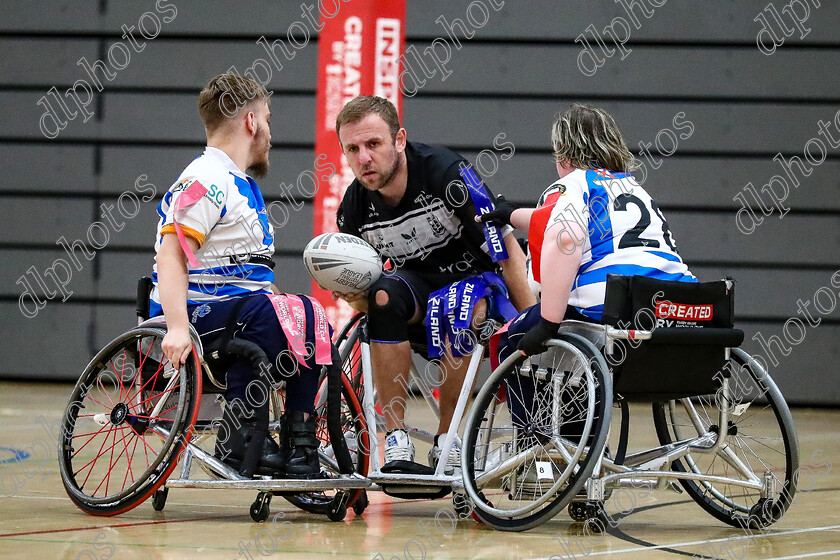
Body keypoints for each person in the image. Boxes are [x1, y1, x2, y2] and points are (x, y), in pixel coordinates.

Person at [332, 96, 535, 473]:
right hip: (418, 290)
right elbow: (357, 288)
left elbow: (505, 245)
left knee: (461, 304)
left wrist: (530, 323)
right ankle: (395, 439)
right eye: (352, 149)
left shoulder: (447, 174)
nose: (363, 159)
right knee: (381, 295)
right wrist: (355, 297)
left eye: (373, 144)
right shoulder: (354, 207)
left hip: (477, 280)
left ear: (399, 140)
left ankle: (447, 441)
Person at [153, 73, 327, 478]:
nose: (269, 132)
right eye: (267, 119)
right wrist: (177, 327)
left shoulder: (239, 183)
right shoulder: (206, 179)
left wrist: (298, 318)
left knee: (308, 315)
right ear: (251, 122)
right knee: (269, 314)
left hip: (234, 309)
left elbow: (254, 282)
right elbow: (170, 254)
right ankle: (239, 437)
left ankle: (301, 445)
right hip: (196, 312)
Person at [480, 102, 696, 359]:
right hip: (677, 307)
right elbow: (555, 218)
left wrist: (548, 323)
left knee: (509, 341)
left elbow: (565, 237)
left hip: (612, 310)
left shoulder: (572, 183)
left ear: (564, 156)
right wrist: (511, 215)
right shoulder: (633, 187)